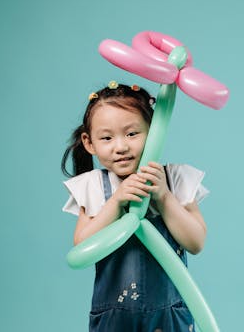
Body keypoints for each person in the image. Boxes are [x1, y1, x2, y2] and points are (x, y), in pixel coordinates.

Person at [61, 82, 209, 332]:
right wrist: (116, 202)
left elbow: (196, 243)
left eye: (132, 134)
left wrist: (163, 197)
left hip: (169, 316)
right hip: (115, 319)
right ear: (89, 142)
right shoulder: (95, 187)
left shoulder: (175, 179)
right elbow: (83, 247)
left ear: (153, 132)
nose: (121, 147)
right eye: (107, 138)